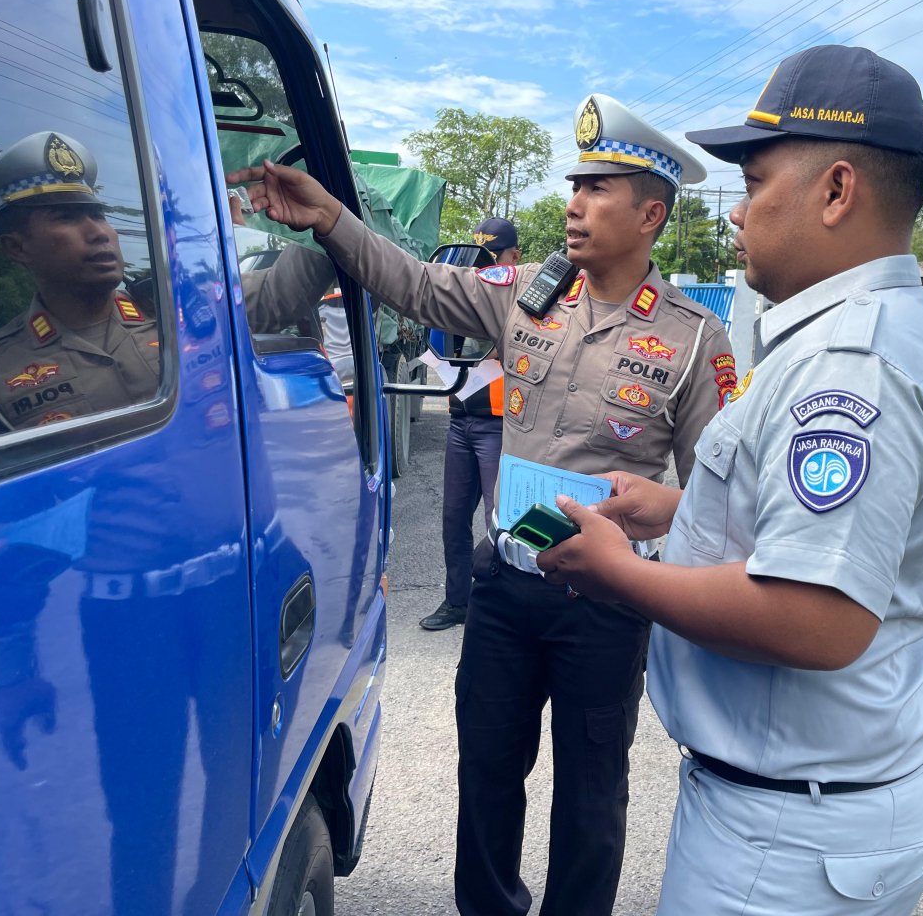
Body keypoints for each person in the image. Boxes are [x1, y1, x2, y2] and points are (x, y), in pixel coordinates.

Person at [227, 94, 736, 916]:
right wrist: (329, 219)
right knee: (488, 773)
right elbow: (414, 282)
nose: (574, 204)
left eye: (598, 190)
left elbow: (719, 496)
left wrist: (659, 507)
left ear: (651, 213)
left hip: (606, 603)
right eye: (575, 185)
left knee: (592, 791)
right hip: (507, 585)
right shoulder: (526, 297)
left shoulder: (693, 340)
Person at [537, 45, 923, 916]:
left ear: (837, 190)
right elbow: (815, 530)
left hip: (788, 840)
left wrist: (623, 573)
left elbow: (818, 616)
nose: (738, 213)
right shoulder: (840, 333)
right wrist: (681, 508)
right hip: (813, 805)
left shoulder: (851, 362)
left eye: (757, 180)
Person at [0, 131, 336, 444]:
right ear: (17, 247)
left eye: (98, 215)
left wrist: (325, 219)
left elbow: (276, 295)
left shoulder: (176, 308)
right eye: (67, 218)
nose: (100, 233)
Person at [420, 217, 518, 632]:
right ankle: (457, 600)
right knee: (454, 518)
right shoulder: (467, 300)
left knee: (498, 521)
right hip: (460, 422)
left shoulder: (520, 300)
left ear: (514, 257)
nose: (486, 269)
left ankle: (500, 607)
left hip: (498, 426)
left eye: (495, 258)